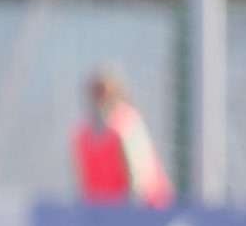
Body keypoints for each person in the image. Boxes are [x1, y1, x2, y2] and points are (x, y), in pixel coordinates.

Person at [73, 66, 173, 207]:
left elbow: (140, 176)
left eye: (103, 93)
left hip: (145, 210)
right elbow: (83, 181)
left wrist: (132, 208)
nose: (99, 99)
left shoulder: (127, 124)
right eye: (96, 93)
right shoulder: (82, 134)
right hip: (103, 210)